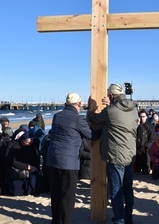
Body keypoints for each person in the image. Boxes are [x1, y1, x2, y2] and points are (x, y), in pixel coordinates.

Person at [87, 83, 138, 224]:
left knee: (116, 191)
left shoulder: (110, 111)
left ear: (110, 95)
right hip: (129, 154)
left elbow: (93, 119)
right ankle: (128, 219)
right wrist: (110, 105)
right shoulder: (133, 108)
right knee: (128, 190)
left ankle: (119, 220)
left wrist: (90, 108)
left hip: (116, 156)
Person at [47, 92, 91, 224]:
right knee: (67, 197)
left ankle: (56, 221)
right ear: (79, 104)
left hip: (52, 159)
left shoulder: (56, 116)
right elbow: (91, 134)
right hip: (68, 163)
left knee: (56, 194)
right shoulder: (78, 119)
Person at [7, 130, 43, 196]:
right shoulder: (15, 146)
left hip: (31, 168)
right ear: (23, 140)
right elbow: (13, 162)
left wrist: (33, 167)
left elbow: (35, 159)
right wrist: (27, 167)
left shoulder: (31, 146)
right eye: (27, 141)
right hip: (18, 170)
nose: (29, 143)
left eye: (31, 141)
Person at [135, 109, 155, 174]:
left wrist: (145, 146)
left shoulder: (149, 126)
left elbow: (152, 139)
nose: (142, 118)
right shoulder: (136, 126)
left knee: (145, 171)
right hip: (136, 151)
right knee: (136, 170)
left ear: (146, 117)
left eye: (143, 116)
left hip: (146, 151)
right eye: (140, 116)